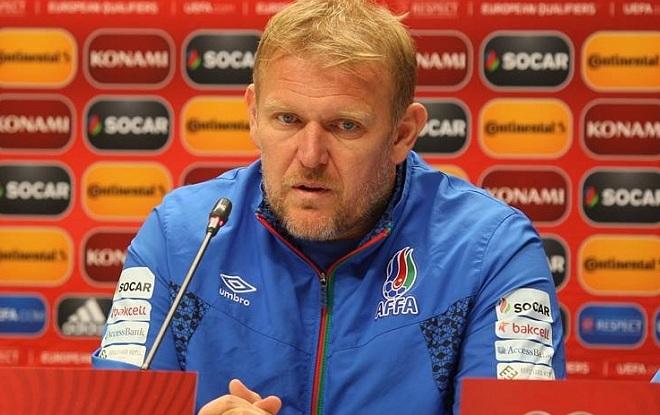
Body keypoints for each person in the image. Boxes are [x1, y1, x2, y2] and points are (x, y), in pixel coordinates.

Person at [92, 0, 566, 413]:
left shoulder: (488, 251)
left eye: (345, 126)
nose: (311, 155)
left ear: (402, 133)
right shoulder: (182, 237)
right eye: (287, 119)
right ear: (253, 115)